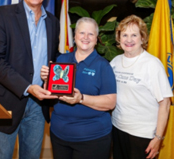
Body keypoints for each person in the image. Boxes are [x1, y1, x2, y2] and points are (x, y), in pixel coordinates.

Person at [0, 0, 59, 159]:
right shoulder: (2, 15)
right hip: (5, 101)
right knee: (1, 156)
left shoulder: (53, 22)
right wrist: (27, 87)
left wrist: (53, 74)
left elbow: (52, 59)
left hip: (37, 105)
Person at [41, 17, 117, 159]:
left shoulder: (103, 66)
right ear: (75, 36)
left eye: (91, 34)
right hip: (59, 136)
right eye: (82, 33)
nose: (86, 37)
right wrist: (46, 80)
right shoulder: (61, 60)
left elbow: (110, 102)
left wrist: (81, 99)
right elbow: (50, 93)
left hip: (92, 139)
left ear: (96, 39)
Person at [110, 15, 173, 159]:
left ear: (142, 38)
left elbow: (165, 103)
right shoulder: (115, 62)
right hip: (118, 129)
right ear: (119, 38)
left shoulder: (152, 64)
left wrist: (158, 138)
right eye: (124, 35)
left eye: (134, 35)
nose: (129, 39)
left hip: (142, 135)